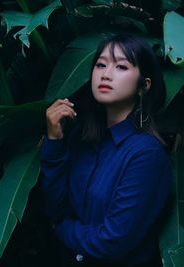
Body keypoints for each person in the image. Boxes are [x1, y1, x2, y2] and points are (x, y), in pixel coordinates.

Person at [39, 34, 172, 267]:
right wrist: (54, 139)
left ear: (144, 86)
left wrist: (62, 230)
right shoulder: (82, 140)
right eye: (100, 64)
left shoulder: (145, 153)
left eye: (121, 66)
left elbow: (113, 242)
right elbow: (55, 208)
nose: (106, 74)